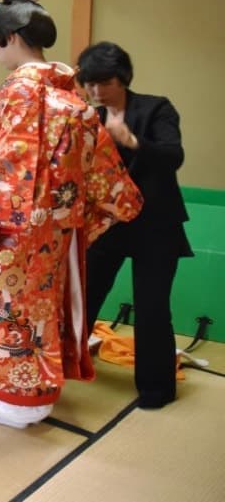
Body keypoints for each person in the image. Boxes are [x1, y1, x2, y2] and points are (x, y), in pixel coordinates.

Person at [0, 0, 142, 429]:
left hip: (10, 234)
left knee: (6, 315)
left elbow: (11, 159)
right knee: (41, 313)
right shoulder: (72, 100)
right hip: (51, 236)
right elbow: (101, 171)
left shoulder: (23, 93)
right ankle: (37, 397)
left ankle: (10, 403)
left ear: (13, 37)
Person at [76, 41, 191, 409]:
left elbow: (174, 155)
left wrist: (133, 141)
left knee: (152, 306)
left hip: (156, 224)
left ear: (123, 78)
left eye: (103, 82)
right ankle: (66, 364)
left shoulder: (156, 108)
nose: (95, 91)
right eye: (89, 84)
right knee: (85, 292)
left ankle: (157, 389)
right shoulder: (89, 117)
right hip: (108, 223)